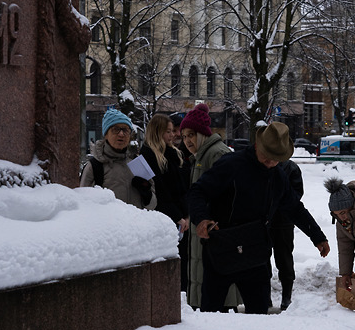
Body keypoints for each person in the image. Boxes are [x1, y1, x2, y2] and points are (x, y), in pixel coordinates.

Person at [188, 122, 330, 314]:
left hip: (256, 252)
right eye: (267, 157)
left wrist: (318, 236)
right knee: (211, 313)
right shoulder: (231, 164)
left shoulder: (278, 176)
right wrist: (202, 218)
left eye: (276, 159)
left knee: (259, 315)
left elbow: (295, 208)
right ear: (257, 146)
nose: (270, 163)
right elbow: (198, 191)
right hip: (222, 248)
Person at [180, 103, 240, 311]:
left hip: (215, 235)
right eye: (184, 135)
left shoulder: (216, 154)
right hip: (205, 234)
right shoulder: (201, 156)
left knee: (217, 300)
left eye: (191, 135)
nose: (187, 140)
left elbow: (227, 197)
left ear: (202, 134)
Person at [140, 114, 189, 291]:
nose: (172, 135)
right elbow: (160, 189)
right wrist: (178, 216)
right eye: (168, 131)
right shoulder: (149, 155)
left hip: (180, 217)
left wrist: (186, 214)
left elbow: (180, 188)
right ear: (157, 132)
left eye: (172, 131)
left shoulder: (173, 154)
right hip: (165, 216)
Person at [80, 108, 157, 210]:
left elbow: (153, 204)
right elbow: (82, 205)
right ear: (106, 134)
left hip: (136, 225)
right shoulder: (94, 166)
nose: (121, 134)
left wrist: (147, 195)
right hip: (109, 225)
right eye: (116, 129)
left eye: (125, 130)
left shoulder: (137, 162)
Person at [269, 159, 302, 310]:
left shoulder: (291, 167)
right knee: (261, 259)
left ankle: (286, 296)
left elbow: (296, 194)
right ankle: (264, 296)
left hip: (283, 221)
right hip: (264, 221)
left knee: (284, 258)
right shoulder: (262, 164)